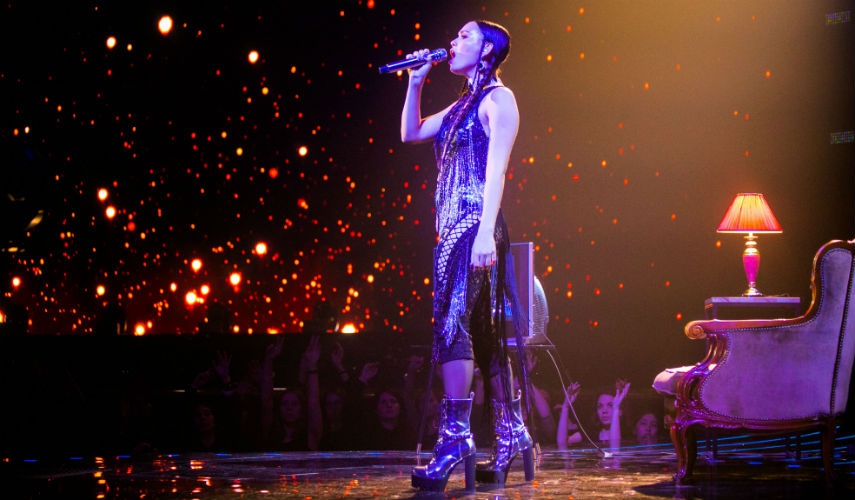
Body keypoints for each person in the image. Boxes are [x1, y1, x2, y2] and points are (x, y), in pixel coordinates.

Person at [400, 19, 532, 491]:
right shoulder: (461, 106)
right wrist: (415, 83)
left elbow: (496, 171)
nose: (452, 42)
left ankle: (456, 437)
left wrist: (483, 234)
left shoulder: (500, 99)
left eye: (464, 36)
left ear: (488, 50)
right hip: (452, 227)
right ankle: (512, 431)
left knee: (452, 322)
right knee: (482, 334)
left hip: (474, 224)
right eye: (453, 36)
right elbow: (411, 133)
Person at [557, 379, 630, 452]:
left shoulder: (628, 435)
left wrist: (616, 408)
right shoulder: (590, 435)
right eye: (600, 406)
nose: (604, 411)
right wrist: (565, 406)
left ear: (621, 411)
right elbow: (562, 444)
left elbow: (615, 451)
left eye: (610, 405)